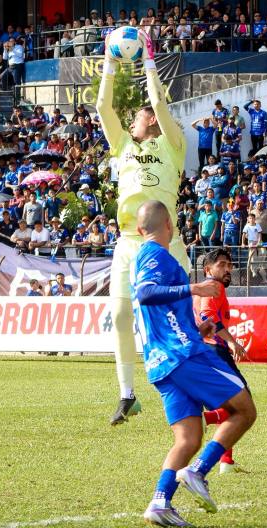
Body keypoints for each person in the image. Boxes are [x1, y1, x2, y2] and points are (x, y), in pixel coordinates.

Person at [132, 201, 256, 526]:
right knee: (244, 410)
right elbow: (146, 293)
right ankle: (199, 471)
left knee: (187, 439)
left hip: (161, 363)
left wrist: (196, 327)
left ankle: (160, 502)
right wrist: (194, 287)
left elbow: (162, 310)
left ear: (138, 229)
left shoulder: (148, 257)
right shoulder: (155, 255)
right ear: (170, 227)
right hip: (181, 355)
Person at [97, 33, 192, 426]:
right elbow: (103, 106)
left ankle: (194, 383)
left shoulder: (173, 144)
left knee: (185, 316)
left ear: (149, 120)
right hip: (128, 241)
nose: (132, 121)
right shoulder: (122, 146)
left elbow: (157, 102)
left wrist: (150, 60)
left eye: (137, 116)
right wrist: (110, 63)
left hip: (166, 241)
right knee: (120, 315)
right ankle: (127, 394)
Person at [193, 248, 250, 474]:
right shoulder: (212, 288)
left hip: (206, 351)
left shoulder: (208, 289)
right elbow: (208, 317)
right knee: (243, 406)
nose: (228, 269)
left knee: (234, 407)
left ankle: (226, 461)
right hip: (215, 351)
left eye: (230, 265)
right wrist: (233, 342)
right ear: (208, 269)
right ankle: (206, 418)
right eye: (222, 264)